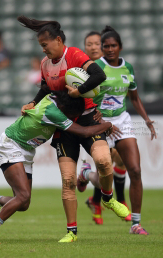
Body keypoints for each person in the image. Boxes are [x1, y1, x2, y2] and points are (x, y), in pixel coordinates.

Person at [18, 16, 129, 243]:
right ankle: (71, 232)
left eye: (45, 45)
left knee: (104, 161)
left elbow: (100, 75)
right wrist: (33, 103)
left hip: (88, 119)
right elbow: (45, 89)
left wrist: (80, 92)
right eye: (41, 47)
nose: (44, 50)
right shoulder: (44, 64)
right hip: (63, 127)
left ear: (58, 40)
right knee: (68, 180)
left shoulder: (75, 55)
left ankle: (107, 198)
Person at [0, 91, 113, 244]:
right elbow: (84, 131)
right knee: (23, 196)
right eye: (71, 114)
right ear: (63, 108)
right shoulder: (53, 112)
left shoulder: (55, 101)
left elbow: (49, 87)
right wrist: (108, 124)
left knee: (23, 203)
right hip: (10, 146)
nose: (71, 117)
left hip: (25, 150)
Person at [77, 26, 157, 235]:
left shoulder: (127, 68)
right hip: (98, 124)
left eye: (113, 46)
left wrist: (147, 119)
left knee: (136, 171)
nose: (110, 49)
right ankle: (86, 174)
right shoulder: (95, 68)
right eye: (106, 46)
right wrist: (95, 114)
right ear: (102, 48)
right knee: (106, 173)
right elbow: (84, 96)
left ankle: (136, 224)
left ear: (120, 47)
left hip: (122, 122)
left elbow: (134, 97)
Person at [78, 31, 131, 225]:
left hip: (111, 121)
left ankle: (96, 200)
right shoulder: (81, 70)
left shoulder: (108, 68)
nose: (93, 47)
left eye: (96, 44)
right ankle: (113, 199)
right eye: (89, 44)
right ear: (84, 48)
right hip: (90, 125)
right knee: (108, 163)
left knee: (119, 160)